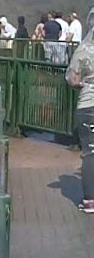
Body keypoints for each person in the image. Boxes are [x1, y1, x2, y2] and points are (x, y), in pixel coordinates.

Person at [66, 40, 94, 212]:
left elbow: (73, 79)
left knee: (90, 151)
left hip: (88, 104)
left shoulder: (85, 50)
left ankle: (90, 200)